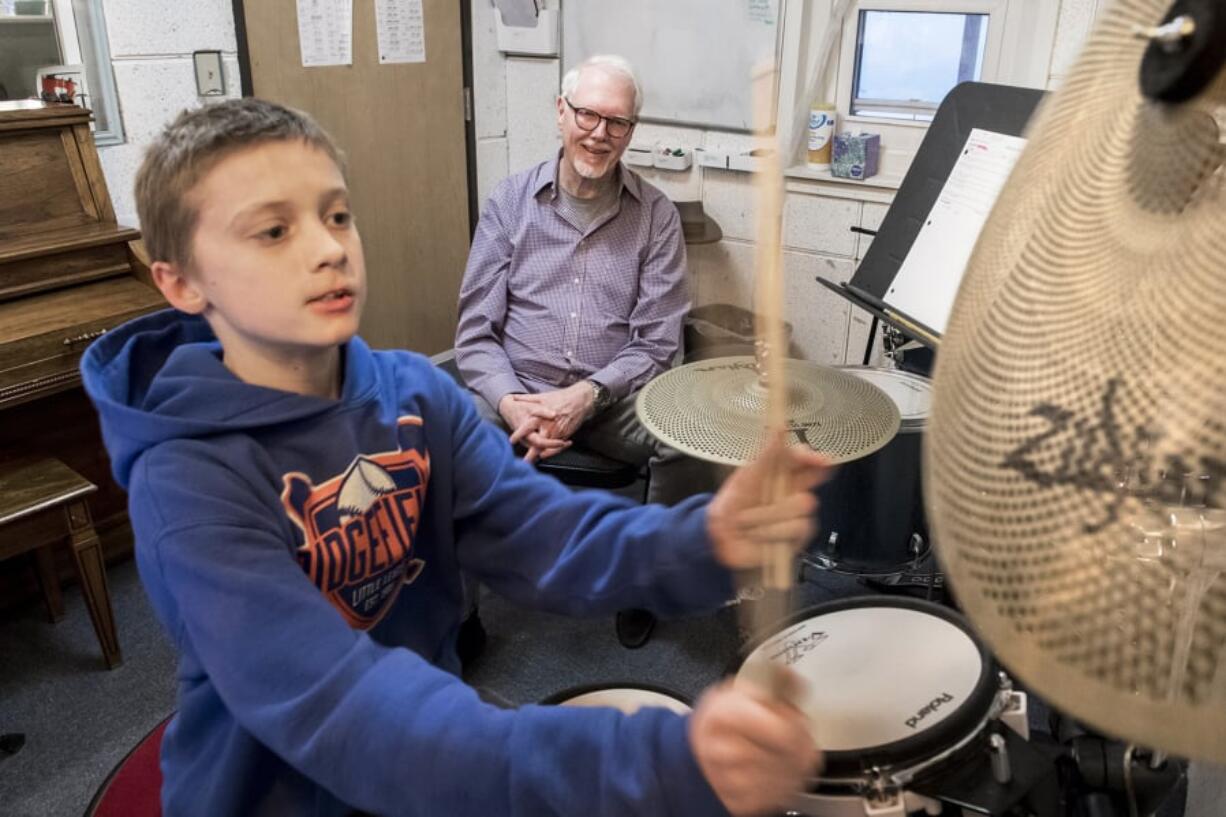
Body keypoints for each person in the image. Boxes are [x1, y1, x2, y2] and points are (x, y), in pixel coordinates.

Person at [81, 98, 827, 817]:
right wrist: (658, 764)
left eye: (336, 213)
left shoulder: (416, 395)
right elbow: (344, 708)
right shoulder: (186, 477)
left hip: (427, 746)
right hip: (276, 789)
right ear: (180, 282)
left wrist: (703, 539)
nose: (330, 246)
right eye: (273, 231)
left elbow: (546, 535)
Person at [455, 54, 702, 648]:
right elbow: (474, 332)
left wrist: (587, 396)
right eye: (588, 114)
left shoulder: (656, 217)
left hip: (611, 396)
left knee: (690, 439)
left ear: (631, 132)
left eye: (616, 122)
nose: (599, 133)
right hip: (517, 387)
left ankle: (645, 582)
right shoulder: (510, 202)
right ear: (561, 112)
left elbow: (657, 341)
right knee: (454, 438)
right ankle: (461, 618)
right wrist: (514, 403)